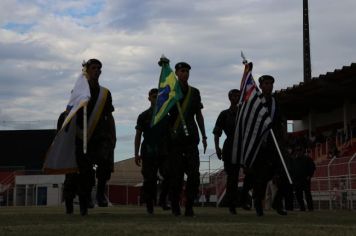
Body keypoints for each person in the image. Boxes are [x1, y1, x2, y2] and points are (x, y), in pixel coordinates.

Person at [75, 58, 116, 215]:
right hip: (83, 136)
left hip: (101, 135)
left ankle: (100, 192)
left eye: (99, 68)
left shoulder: (105, 93)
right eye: (94, 67)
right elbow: (71, 111)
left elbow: (109, 115)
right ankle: (86, 200)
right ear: (87, 70)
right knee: (85, 172)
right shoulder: (79, 90)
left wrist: (113, 135)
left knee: (105, 165)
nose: (97, 70)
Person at [168, 62, 207, 217]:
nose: (185, 73)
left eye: (187, 71)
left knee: (194, 175)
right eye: (182, 71)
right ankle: (175, 206)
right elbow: (163, 114)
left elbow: (199, 115)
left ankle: (189, 205)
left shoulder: (195, 92)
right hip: (175, 139)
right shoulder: (170, 91)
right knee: (176, 176)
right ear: (176, 73)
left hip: (191, 138)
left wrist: (204, 135)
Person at [247, 75, 288, 216]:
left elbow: (282, 120)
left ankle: (277, 202)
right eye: (266, 83)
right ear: (261, 85)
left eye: (271, 83)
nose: (269, 86)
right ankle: (258, 204)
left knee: (285, 173)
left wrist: (284, 136)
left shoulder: (276, 102)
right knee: (261, 177)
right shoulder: (257, 101)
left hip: (275, 144)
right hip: (261, 145)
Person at [134, 88, 171, 214]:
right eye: (153, 96)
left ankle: (163, 199)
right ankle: (150, 206)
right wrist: (136, 153)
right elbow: (138, 135)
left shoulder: (166, 115)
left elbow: (170, 135)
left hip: (164, 151)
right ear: (149, 98)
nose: (155, 98)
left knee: (168, 175)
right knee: (149, 180)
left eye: (157, 96)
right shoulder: (143, 116)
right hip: (148, 151)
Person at [213, 89, 241, 214]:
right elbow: (217, 132)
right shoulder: (224, 114)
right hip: (229, 147)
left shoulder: (244, 113)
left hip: (243, 146)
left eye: (238, 95)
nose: (236, 97)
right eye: (234, 95)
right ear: (229, 98)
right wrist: (217, 148)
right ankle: (232, 204)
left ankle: (244, 199)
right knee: (232, 177)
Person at [291, 146, 316, 211]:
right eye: (297, 151)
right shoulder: (294, 160)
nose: (298, 152)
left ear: (302, 151)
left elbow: (312, 167)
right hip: (297, 180)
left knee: (307, 194)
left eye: (299, 151)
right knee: (298, 195)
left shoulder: (307, 159)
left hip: (305, 180)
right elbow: (292, 170)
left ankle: (310, 208)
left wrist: (309, 176)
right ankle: (302, 208)